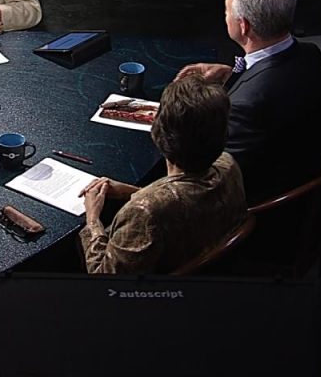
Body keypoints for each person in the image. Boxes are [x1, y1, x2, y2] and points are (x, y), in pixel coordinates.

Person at [175, 0, 321, 203]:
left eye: (227, 11)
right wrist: (231, 75)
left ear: (244, 26)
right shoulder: (310, 55)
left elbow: (209, 180)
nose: (225, 16)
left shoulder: (246, 105)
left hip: (257, 208)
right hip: (301, 178)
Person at [79, 75, 246, 275]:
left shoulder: (143, 213)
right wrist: (136, 192)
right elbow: (187, 197)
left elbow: (104, 278)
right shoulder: (228, 164)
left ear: (159, 132)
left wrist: (93, 220)